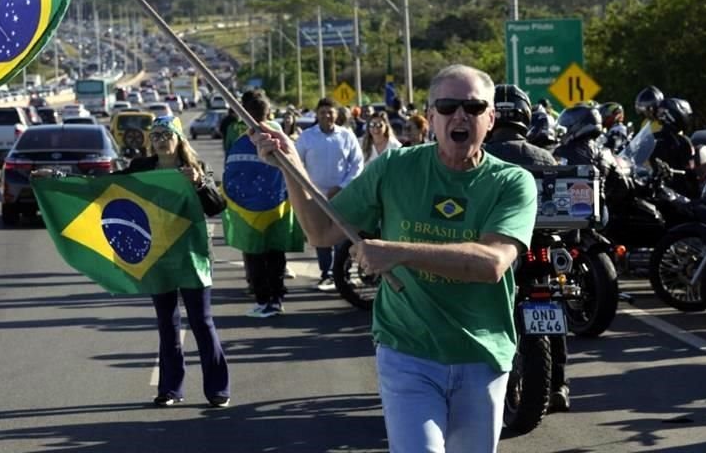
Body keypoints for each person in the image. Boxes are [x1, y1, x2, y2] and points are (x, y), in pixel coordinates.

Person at [253, 64, 537, 452]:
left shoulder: (512, 182)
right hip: (408, 352)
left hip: (482, 354)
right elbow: (321, 231)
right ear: (431, 115)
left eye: (472, 108)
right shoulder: (394, 167)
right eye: (448, 105)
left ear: (490, 118)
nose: (460, 116)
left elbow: (490, 264)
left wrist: (396, 252)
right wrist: (290, 164)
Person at [125, 115, 231, 408]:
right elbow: (107, 187)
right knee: (167, 324)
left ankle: (218, 389)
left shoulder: (196, 170)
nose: (160, 140)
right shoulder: (141, 169)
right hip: (157, 255)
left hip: (191, 255)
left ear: (178, 139)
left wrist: (198, 184)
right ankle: (170, 389)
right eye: (155, 135)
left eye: (166, 134)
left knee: (202, 322)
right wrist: (58, 179)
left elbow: (216, 206)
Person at [485, 84, 570, 413]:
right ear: (524, 115)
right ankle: (559, 384)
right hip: (540, 251)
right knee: (552, 307)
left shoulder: (481, 156)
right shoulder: (544, 156)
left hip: (496, 251)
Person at [226, 90, 294, 318]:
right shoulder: (280, 136)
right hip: (277, 207)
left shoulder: (241, 139)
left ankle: (265, 300)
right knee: (275, 255)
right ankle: (276, 299)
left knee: (255, 256)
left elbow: (230, 176)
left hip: (250, 212)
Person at [294, 97, 364, 291]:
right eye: (323, 112)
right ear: (317, 114)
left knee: (343, 236)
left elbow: (357, 164)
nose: (327, 115)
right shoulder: (307, 137)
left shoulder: (346, 135)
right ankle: (327, 274)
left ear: (336, 114)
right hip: (316, 196)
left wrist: (342, 186)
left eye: (330, 112)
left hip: (342, 195)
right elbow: (296, 164)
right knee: (321, 236)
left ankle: (343, 273)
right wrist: (308, 187)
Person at [651, 97, 698, 198]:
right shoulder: (682, 141)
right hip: (662, 191)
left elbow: (689, 174)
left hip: (673, 196)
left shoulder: (655, 138)